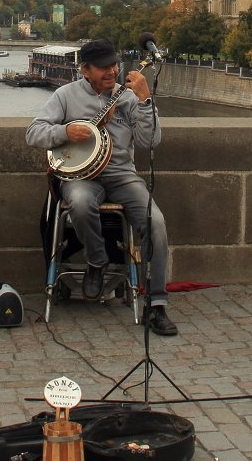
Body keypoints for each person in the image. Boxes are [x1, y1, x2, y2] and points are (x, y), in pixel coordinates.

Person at [25, 39, 178, 336]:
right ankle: (97, 261)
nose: (112, 71)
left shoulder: (128, 96)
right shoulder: (65, 96)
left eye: (114, 65)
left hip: (122, 174)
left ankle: (157, 304)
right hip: (82, 176)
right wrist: (64, 131)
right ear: (85, 70)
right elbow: (33, 132)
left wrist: (146, 101)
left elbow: (150, 141)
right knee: (80, 203)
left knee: (155, 222)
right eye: (104, 67)